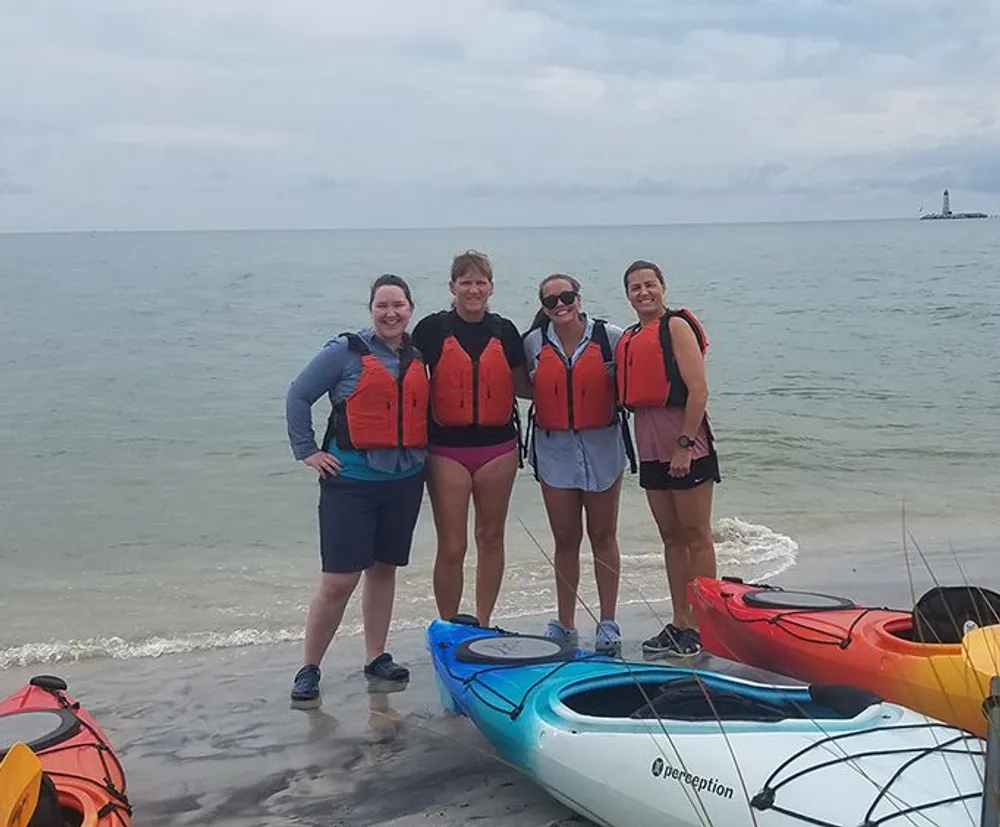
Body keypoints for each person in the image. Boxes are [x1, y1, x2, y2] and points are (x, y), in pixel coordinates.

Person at [284, 274, 429, 707]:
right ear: (371, 309)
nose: (391, 313)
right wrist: (307, 451)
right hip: (351, 481)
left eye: (398, 305)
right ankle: (309, 667)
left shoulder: (416, 355)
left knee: (384, 569)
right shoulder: (344, 353)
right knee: (338, 580)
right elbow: (298, 395)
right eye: (382, 306)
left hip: (403, 480)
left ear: (410, 309)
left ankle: (376, 656)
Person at [411, 250, 532, 628]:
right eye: (466, 282)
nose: (473, 289)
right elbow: (406, 383)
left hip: (499, 449)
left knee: (491, 537)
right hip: (447, 450)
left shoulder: (505, 331)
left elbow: (526, 386)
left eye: (481, 282)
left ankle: (482, 621)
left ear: (491, 287)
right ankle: (448, 625)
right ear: (452, 286)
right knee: (452, 546)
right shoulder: (431, 330)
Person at [521, 274, 632, 655]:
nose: (559, 305)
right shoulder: (533, 343)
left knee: (604, 535)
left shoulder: (611, 337)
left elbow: (636, 381)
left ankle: (608, 622)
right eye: (550, 301)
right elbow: (521, 386)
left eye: (566, 297)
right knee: (565, 539)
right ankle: (565, 623)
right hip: (555, 451)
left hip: (603, 446)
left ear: (579, 298)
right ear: (544, 308)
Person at [615, 259, 721, 658]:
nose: (643, 293)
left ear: (663, 286)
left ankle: (702, 622)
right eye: (635, 288)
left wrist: (683, 443)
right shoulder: (630, 335)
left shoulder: (675, 326)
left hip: (685, 442)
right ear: (627, 295)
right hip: (649, 443)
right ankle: (679, 620)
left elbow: (698, 391)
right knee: (671, 537)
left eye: (649, 285)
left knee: (696, 535)